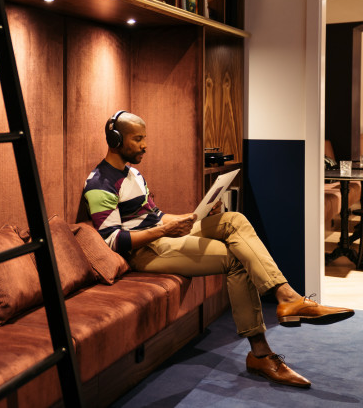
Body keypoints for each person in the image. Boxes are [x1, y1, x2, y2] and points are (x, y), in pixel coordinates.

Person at [82, 110, 355, 388]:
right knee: (237, 259)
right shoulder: (99, 183)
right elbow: (114, 240)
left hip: (162, 235)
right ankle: (262, 351)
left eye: (145, 138)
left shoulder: (134, 174)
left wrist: (192, 217)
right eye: (138, 139)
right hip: (146, 251)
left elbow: (156, 216)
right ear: (116, 140)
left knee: (235, 219)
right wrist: (165, 230)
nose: (145, 145)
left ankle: (287, 298)